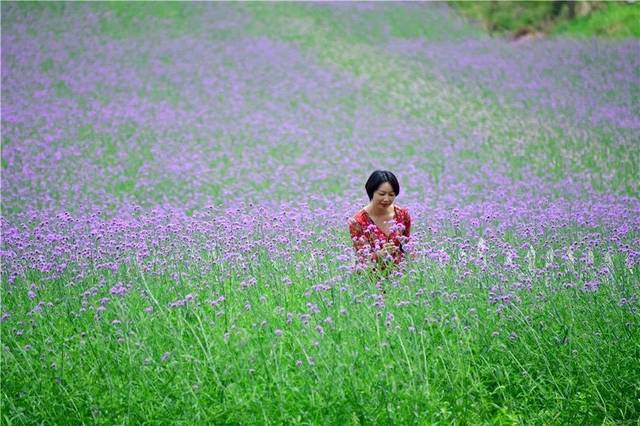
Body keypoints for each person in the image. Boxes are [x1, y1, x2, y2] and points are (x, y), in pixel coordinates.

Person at [348, 170, 411, 272]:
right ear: (371, 192)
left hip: (401, 276)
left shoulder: (402, 215)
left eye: (391, 194)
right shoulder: (357, 221)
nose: (386, 199)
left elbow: (407, 246)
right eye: (382, 194)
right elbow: (361, 258)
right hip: (371, 277)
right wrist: (379, 255)